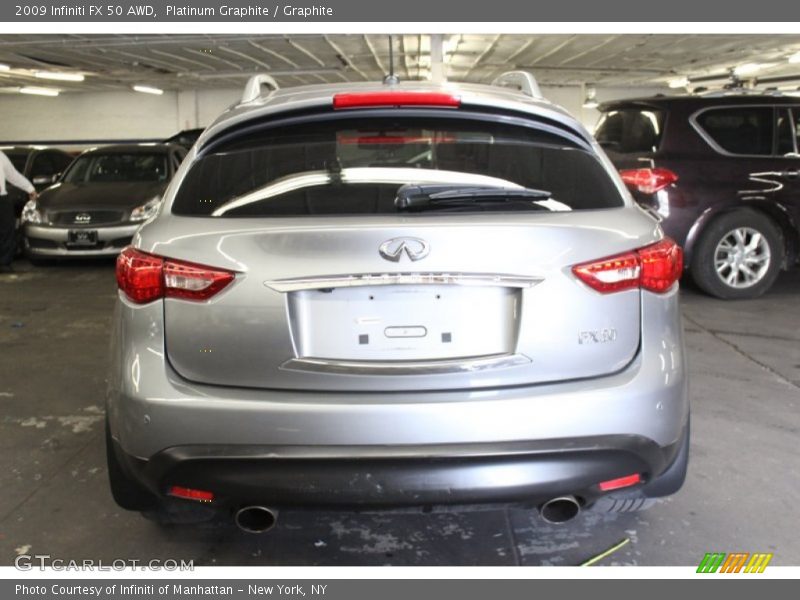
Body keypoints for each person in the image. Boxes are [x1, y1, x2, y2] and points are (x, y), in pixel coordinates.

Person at [0, 150, 37, 273]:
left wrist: (30, 189)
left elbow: (12, 175)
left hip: (1, 198)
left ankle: (4, 263)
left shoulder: (0, 156)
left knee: (6, 230)